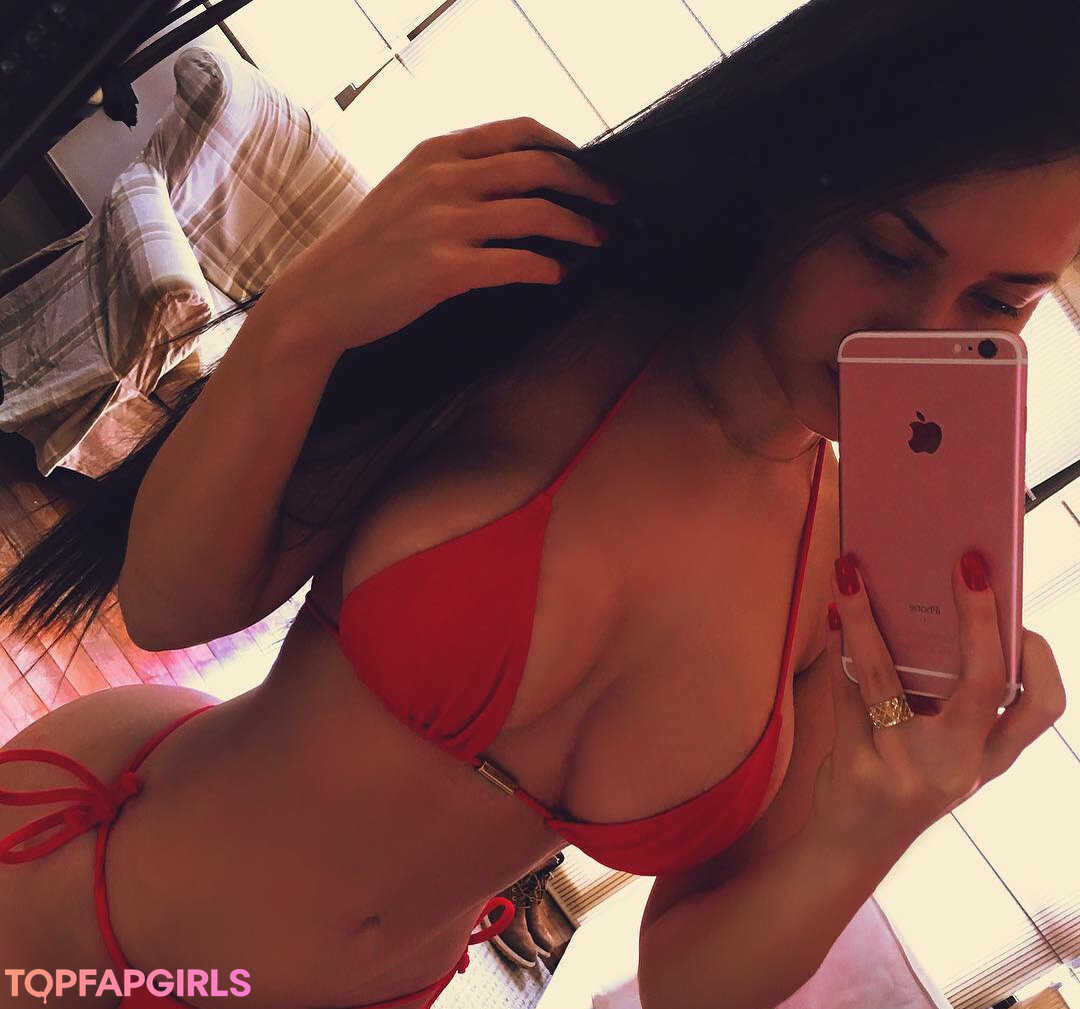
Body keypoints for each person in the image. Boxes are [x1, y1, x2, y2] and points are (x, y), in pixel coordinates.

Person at [0, 0, 1076, 1007]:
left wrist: (878, 822)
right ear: (806, 170)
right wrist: (303, 318)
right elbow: (170, 606)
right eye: (888, 251)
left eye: (998, 302)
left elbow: (688, 983)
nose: (918, 333)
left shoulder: (860, 572)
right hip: (81, 911)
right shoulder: (542, 308)